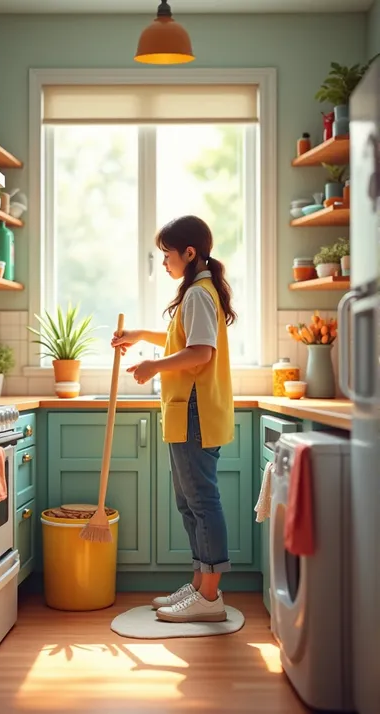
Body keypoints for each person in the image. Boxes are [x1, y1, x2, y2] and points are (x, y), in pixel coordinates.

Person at [111, 215, 236, 623]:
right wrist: (141, 337)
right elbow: (183, 340)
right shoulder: (197, 293)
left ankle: (211, 596)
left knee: (201, 501)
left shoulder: (199, 294)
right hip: (189, 411)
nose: (164, 262)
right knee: (190, 502)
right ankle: (201, 585)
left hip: (196, 410)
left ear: (189, 252)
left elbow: (201, 353)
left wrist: (153, 366)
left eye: (167, 254)